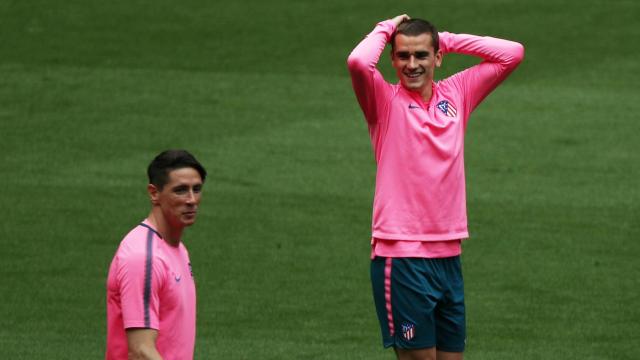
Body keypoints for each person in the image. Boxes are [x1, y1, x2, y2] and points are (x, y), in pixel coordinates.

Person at [347, 14, 524, 360]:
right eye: (402, 56)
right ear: (392, 59)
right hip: (402, 257)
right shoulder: (382, 102)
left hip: (448, 256)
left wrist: (445, 38)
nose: (411, 65)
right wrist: (386, 28)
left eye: (422, 55)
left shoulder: (458, 93)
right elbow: (358, 61)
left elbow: (512, 53)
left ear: (438, 57)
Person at [105, 149, 207, 360]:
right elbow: (141, 351)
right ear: (154, 193)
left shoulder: (176, 249)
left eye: (196, 189)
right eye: (180, 190)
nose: (191, 200)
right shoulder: (144, 258)